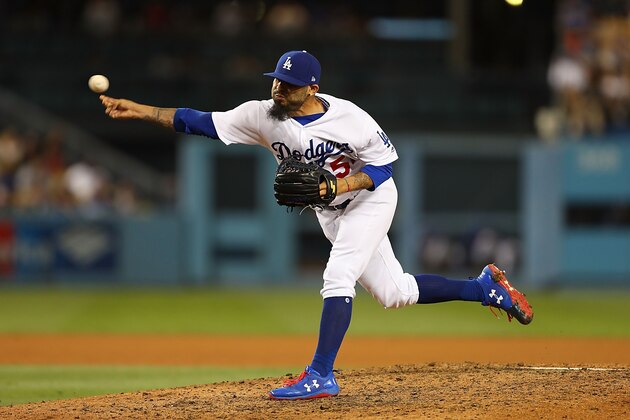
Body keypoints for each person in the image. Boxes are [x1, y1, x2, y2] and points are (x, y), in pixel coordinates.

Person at [100, 50, 534, 400]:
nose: (278, 89)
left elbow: (386, 166)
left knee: (338, 275)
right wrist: (139, 110)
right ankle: (485, 288)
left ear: (312, 88)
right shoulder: (261, 115)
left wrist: (338, 184)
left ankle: (321, 374)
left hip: (370, 197)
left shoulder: (352, 119)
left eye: (287, 85)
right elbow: (198, 121)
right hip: (332, 211)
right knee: (394, 293)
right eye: (275, 80)